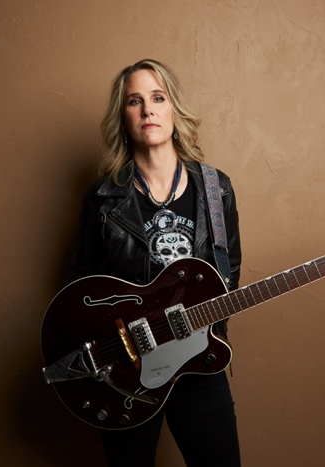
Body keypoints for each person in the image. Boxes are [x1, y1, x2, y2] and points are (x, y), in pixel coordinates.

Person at [73, 59, 242, 467]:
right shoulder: (102, 200)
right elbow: (81, 293)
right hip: (128, 371)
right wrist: (123, 349)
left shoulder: (216, 190)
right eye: (135, 101)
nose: (148, 109)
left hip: (197, 363)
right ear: (124, 117)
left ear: (173, 110)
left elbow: (229, 276)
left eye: (158, 97)